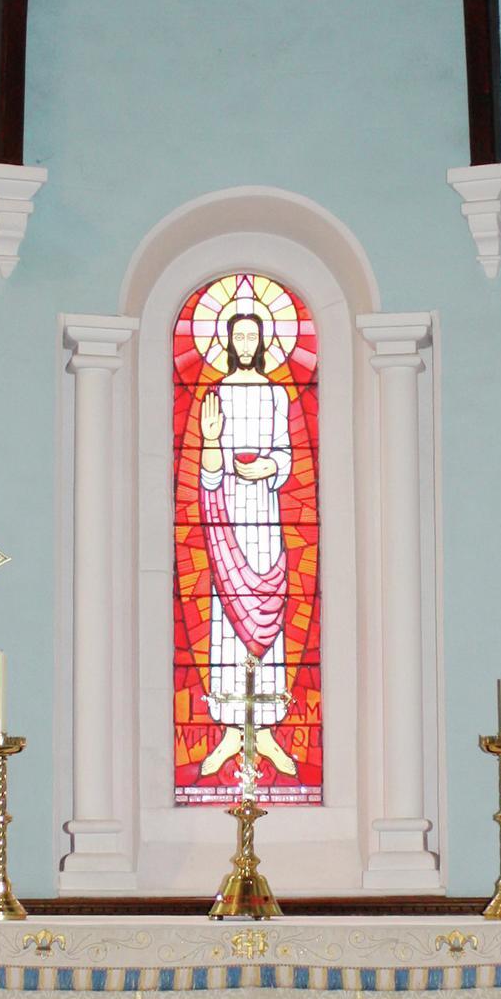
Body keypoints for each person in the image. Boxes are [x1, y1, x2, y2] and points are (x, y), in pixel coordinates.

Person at [196, 301, 297, 777]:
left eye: (251, 336)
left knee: (268, 616)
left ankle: (268, 730)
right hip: (228, 517)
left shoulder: (277, 396)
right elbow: (209, 477)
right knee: (227, 619)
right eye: (235, 337)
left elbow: (286, 455)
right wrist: (212, 439)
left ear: (262, 342)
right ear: (227, 342)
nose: (243, 344)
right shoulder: (215, 394)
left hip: (266, 514)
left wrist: (269, 467)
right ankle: (233, 732)